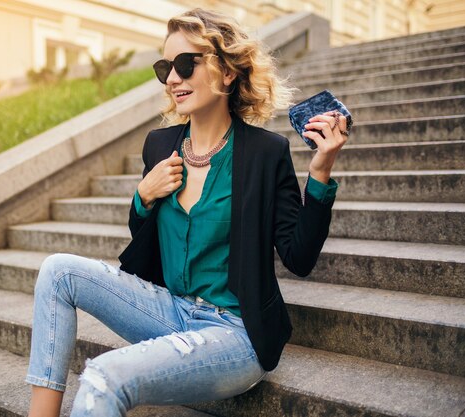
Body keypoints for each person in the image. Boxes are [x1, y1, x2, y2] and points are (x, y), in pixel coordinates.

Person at [26, 7, 347, 417]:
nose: (173, 78)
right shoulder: (159, 146)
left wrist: (319, 175)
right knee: (58, 270)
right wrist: (142, 196)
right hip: (169, 310)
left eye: (185, 64)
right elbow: (143, 239)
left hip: (234, 333)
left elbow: (299, 258)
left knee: (103, 376)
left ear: (228, 72)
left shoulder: (266, 154)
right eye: (166, 67)